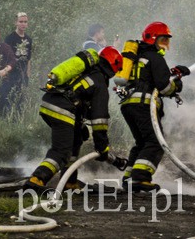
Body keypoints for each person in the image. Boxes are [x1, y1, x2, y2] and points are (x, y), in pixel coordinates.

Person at [24, 46, 123, 192]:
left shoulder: (86, 73)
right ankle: (37, 179)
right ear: (113, 67)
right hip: (63, 111)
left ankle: (69, 182)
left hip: (51, 104)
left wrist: (79, 126)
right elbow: (99, 119)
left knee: (75, 142)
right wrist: (102, 146)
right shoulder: (100, 83)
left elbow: (78, 99)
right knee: (62, 151)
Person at [120, 21, 189, 192]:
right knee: (155, 142)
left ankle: (129, 178)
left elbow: (150, 79)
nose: (165, 45)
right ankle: (140, 178)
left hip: (128, 104)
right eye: (162, 40)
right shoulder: (155, 58)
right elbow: (164, 87)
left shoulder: (137, 58)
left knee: (142, 142)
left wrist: (173, 74)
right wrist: (177, 85)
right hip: (144, 104)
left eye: (167, 40)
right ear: (152, 39)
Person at [0, 12, 33, 115]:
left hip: (22, 73)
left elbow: (28, 59)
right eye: (21, 22)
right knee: (8, 98)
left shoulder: (28, 39)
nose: (23, 24)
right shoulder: (10, 38)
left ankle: (17, 120)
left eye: (25, 22)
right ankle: (5, 119)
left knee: (20, 99)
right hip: (11, 73)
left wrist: (28, 74)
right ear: (16, 23)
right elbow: (5, 57)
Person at [0, 24, 17, 110]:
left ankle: (2, 121)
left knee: (2, 102)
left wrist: (5, 70)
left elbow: (13, 60)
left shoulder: (4, 47)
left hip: (1, 79)